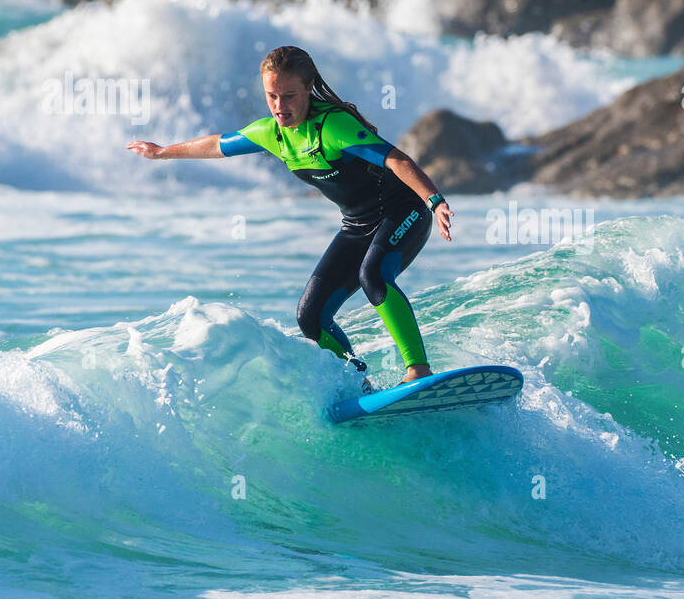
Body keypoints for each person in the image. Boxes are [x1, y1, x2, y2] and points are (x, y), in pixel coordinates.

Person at [126, 45, 452, 388]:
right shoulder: (272, 134)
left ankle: (418, 369)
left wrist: (435, 200)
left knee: (374, 276)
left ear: (308, 88)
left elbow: (396, 159)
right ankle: (359, 385)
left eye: (289, 96)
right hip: (357, 224)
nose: (280, 106)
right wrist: (162, 152)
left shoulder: (332, 126)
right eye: (272, 96)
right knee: (311, 317)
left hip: (404, 210)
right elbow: (217, 144)